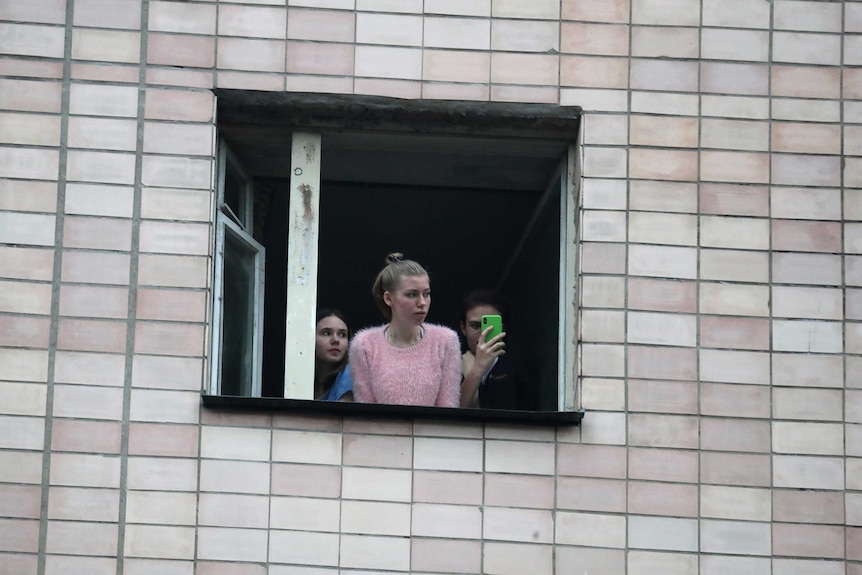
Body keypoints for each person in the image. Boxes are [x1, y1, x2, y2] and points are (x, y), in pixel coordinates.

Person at [350, 253, 461, 407]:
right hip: (379, 430)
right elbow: (366, 413)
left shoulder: (446, 341)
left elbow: (447, 409)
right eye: (411, 294)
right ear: (388, 298)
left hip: (431, 430)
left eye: (426, 294)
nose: (422, 302)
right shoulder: (364, 344)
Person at [458, 289, 536, 410]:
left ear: (502, 327)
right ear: (463, 328)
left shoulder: (516, 365)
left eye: (491, 327)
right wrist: (477, 369)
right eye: (475, 326)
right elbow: (451, 415)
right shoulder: (453, 365)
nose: (483, 333)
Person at [314, 309, 354, 401]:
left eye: (342, 335)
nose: (336, 340)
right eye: (327, 333)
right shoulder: (299, 376)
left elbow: (342, 414)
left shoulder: (351, 374)